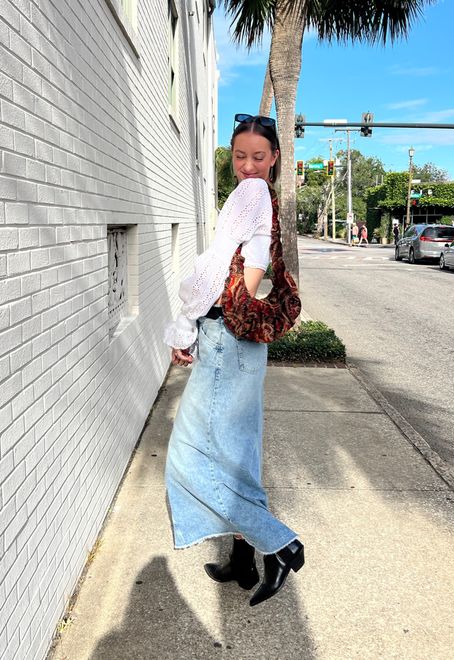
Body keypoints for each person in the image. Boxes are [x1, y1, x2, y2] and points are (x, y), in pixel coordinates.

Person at [163, 114, 304, 608]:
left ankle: (279, 545)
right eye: (239, 156)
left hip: (226, 340)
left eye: (258, 157)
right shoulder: (252, 203)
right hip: (239, 346)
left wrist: (187, 325)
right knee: (238, 453)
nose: (247, 166)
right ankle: (244, 560)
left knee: (185, 458)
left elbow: (234, 284)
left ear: (275, 159)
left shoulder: (252, 199)